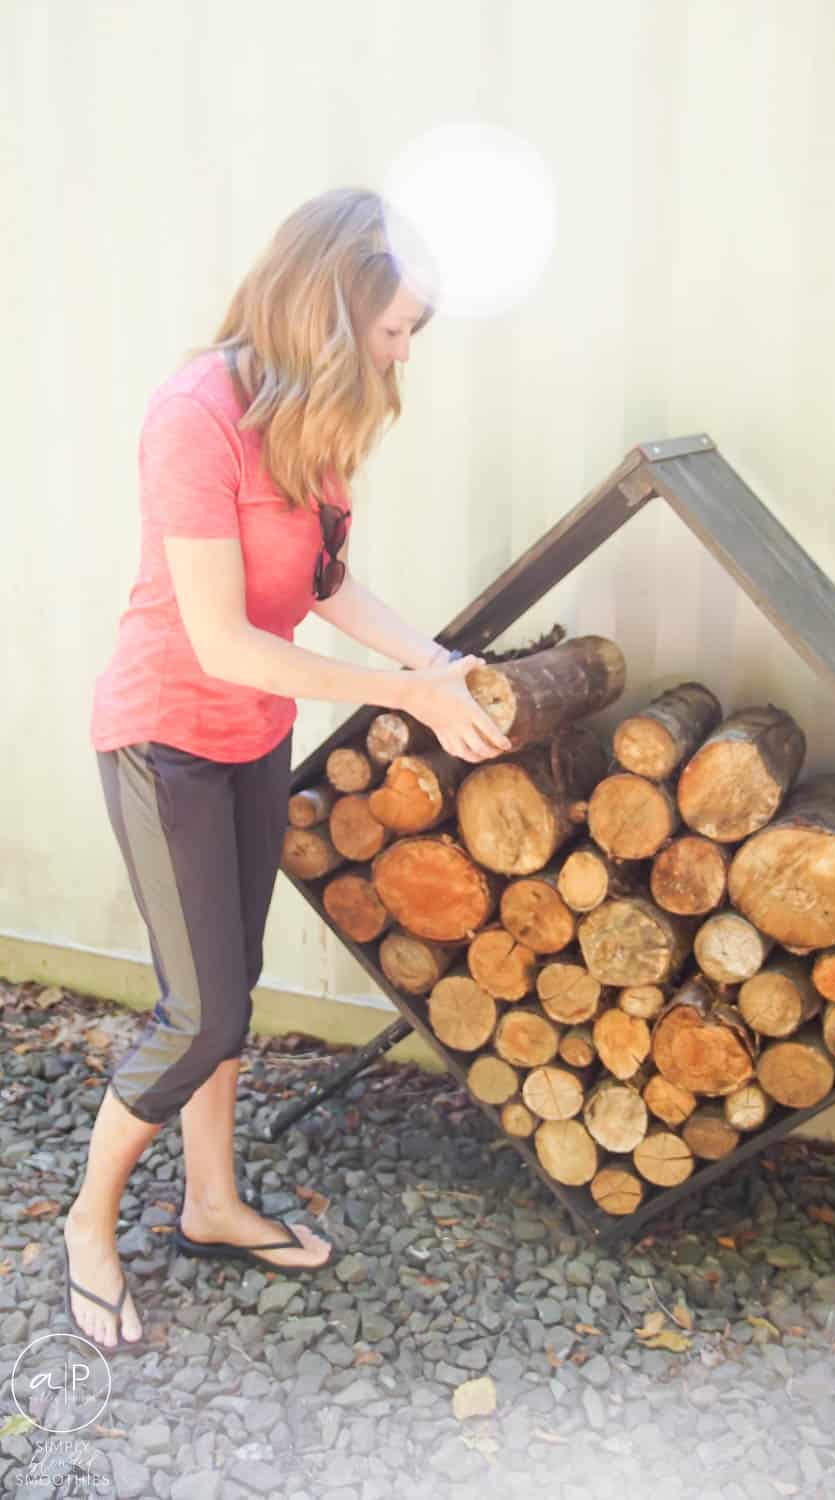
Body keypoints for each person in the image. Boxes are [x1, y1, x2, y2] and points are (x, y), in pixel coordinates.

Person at [63, 187, 512, 1353]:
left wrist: (436, 659)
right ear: (327, 307)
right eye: (394, 328)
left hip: (253, 736)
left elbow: (318, 582)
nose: (404, 353)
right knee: (199, 1014)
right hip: (165, 738)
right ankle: (85, 1225)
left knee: (231, 987)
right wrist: (402, 695)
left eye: (414, 329)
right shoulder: (194, 412)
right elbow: (219, 640)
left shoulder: (313, 420)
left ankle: (211, 1205)